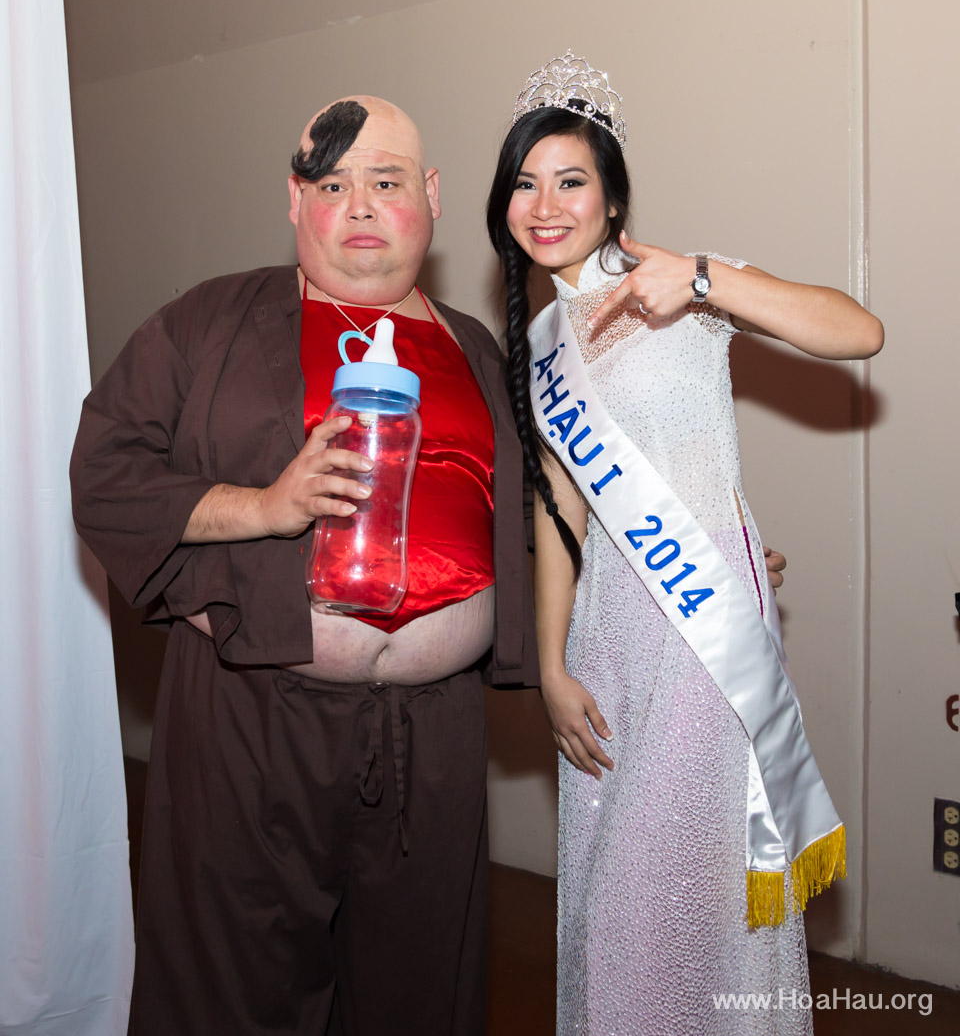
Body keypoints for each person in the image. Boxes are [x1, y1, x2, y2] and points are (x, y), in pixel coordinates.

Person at [70, 96, 539, 1036]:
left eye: (386, 180)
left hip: (436, 747)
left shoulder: (479, 349)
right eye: (333, 183)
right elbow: (106, 471)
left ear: (432, 197)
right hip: (252, 729)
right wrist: (264, 509)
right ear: (296, 202)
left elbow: (544, 522)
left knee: (420, 996)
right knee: (231, 993)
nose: (360, 204)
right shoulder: (207, 323)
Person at [486, 52, 883, 1035]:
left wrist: (707, 279)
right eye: (525, 184)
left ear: (613, 198)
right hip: (609, 645)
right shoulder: (541, 347)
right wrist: (549, 665)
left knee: (669, 895)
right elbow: (559, 512)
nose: (545, 203)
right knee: (609, 894)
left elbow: (859, 332)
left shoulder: (681, 285)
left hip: (701, 645)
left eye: (570, 180)